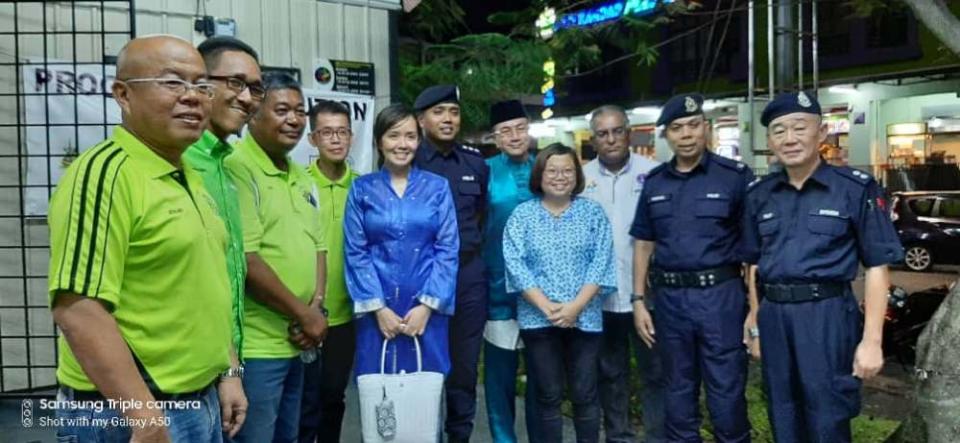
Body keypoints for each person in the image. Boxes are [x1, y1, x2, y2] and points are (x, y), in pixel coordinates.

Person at [47, 35, 243, 442]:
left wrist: (228, 372)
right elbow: (78, 308)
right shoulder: (104, 174)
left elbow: (204, 287)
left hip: (197, 401)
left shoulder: (187, 173)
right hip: (126, 413)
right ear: (123, 94)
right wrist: (144, 417)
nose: (193, 97)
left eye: (202, 86)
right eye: (172, 82)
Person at [742, 91, 904, 442]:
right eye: (779, 130)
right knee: (782, 414)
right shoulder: (759, 194)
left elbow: (878, 267)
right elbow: (753, 263)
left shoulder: (853, 189)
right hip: (775, 318)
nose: (789, 138)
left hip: (827, 315)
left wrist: (872, 341)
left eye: (800, 127)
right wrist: (755, 320)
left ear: (822, 132)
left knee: (827, 418)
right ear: (770, 140)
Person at [629, 94, 752, 443]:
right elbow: (643, 243)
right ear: (666, 136)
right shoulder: (654, 183)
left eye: (693, 126)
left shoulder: (734, 178)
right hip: (669, 300)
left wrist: (754, 311)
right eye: (677, 128)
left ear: (707, 129)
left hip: (720, 298)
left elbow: (752, 252)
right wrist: (638, 300)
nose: (686, 135)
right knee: (677, 393)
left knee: (726, 393)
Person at [226, 73, 328, 443]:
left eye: (301, 111)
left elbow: (319, 247)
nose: (295, 120)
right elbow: (246, 260)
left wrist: (315, 307)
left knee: (294, 436)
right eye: (282, 110)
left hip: (300, 340)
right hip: (257, 347)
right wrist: (305, 315)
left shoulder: (302, 176)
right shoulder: (238, 167)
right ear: (254, 114)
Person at [503, 143, 617, 443]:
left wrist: (574, 308)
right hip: (538, 320)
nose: (560, 176)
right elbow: (515, 265)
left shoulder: (592, 213)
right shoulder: (522, 215)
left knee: (585, 395)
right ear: (539, 175)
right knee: (548, 396)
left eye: (567, 170)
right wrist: (547, 306)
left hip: (585, 318)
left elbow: (601, 262)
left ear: (576, 175)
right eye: (552, 170)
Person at [183, 38, 263, 439]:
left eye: (255, 87)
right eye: (235, 82)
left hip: (217, 368)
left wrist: (229, 369)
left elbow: (219, 279)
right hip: (165, 385)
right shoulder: (178, 160)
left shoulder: (224, 165)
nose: (247, 98)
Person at [344, 102, 459, 383]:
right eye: (393, 135)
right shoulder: (362, 189)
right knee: (380, 399)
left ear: (419, 141)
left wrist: (427, 307)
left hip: (426, 314)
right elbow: (355, 252)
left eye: (410, 136)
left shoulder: (437, 187)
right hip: (376, 314)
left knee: (425, 395)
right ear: (379, 141)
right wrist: (378, 309)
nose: (402, 144)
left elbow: (448, 249)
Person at [581, 105, 664, 443]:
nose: (611, 139)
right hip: (600, 298)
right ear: (593, 139)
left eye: (617, 131)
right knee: (610, 374)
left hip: (648, 296)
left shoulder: (655, 173)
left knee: (656, 373)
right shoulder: (580, 177)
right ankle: (619, 437)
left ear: (629, 133)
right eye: (603, 133)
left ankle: (659, 437)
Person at [412, 84, 489, 443]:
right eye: (439, 112)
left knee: (463, 369)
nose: (448, 119)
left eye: (454, 112)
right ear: (421, 119)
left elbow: (480, 217)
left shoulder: (474, 163)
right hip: (422, 274)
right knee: (423, 367)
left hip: (468, 275)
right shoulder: (408, 161)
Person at [298, 99, 359, 443]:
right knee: (306, 402)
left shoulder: (364, 187)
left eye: (342, 132)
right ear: (313, 139)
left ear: (351, 136)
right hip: (304, 312)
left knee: (334, 397)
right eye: (327, 132)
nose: (335, 139)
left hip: (347, 315)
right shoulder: (300, 184)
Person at [481, 99, 542, 443]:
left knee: (542, 379)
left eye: (520, 128)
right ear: (495, 137)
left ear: (529, 130)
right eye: (506, 131)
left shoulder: (546, 168)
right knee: (499, 381)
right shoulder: (484, 171)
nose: (515, 136)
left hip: (544, 295)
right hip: (499, 291)